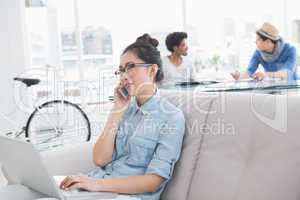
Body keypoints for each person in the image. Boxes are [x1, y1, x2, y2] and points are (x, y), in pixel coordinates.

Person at [60, 34, 185, 200]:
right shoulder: (125, 109)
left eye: (130, 67)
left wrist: (96, 185)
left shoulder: (172, 117)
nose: (124, 75)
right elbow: (100, 159)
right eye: (121, 70)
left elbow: (153, 181)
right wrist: (117, 110)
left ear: (152, 70)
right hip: (99, 188)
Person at [231, 22, 297, 81]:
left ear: (268, 41)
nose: (255, 42)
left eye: (258, 39)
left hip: (291, 90)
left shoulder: (290, 50)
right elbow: (249, 71)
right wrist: (240, 76)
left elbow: (287, 73)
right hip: (272, 88)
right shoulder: (258, 52)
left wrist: (266, 75)